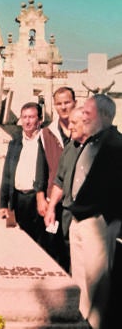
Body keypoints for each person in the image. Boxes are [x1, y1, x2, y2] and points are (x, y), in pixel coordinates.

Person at [44, 95, 122, 329]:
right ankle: (80, 320)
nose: (83, 117)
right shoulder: (86, 143)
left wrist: (113, 219)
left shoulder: (115, 144)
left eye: (88, 112)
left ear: (104, 115)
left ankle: (95, 324)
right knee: (79, 276)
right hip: (77, 218)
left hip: (98, 220)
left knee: (97, 280)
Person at [0, 102, 48, 248]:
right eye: (24, 117)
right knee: (24, 241)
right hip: (20, 199)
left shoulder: (45, 141)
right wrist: (3, 203)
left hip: (39, 198)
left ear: (39, 120)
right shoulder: (15, 142)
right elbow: (7, 174)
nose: (27, 121)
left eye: (31, 117)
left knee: (41, 242)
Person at [38, 87, 76, 272]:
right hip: (53, 197)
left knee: (72, 248)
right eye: (59, 103)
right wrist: (40, 197)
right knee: (53, 245)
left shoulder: (83, 132)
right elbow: (41, 167)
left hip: (75, 201)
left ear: (74, 103)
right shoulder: (47, 133)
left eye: (67, 102)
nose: (63, 107)